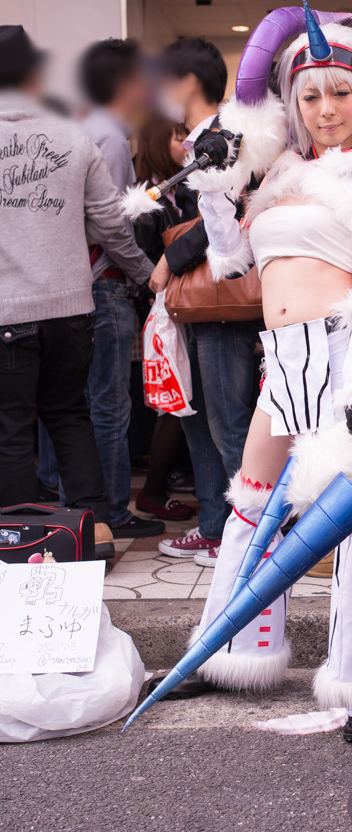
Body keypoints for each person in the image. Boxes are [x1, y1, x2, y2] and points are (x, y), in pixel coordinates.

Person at [131, 4, 352, 712]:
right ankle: (232, 654)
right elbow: (231, 260)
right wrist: (214, 190)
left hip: (349, 352)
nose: (326, 109)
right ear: (293, 103)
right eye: (310, 95)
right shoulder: (280, 175)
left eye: (340, 93)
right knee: (251, 502)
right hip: (285, 358)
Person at [0, 25, 155, 559]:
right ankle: (96, 532)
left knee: (11, 428)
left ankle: (23, 545)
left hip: (7, 313)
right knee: (70, 415)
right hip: (72, 308)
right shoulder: (74, 137)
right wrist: (145, 273)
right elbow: (111, 225)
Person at [144, 39, 263, 566]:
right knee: (203, 419)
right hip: (205, 304)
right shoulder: (204, 138)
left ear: (186, 83)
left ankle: (250, 535)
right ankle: (218, 527)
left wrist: (170, 259)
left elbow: (232, 213)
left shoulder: (224, 137)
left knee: (229, 422)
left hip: (224, 303)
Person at [78, 38, 166, 541]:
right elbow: (110, 226)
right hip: (104, 286)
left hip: (77, 286)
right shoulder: (109, 138)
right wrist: (146, 271)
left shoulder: (79, 129)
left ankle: (70, 504)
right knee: (109, 405)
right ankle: (111, 509)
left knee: (72, 405)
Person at [130, 115, 197, 523]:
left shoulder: (177, 191)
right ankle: (153, 490)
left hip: (179, 307)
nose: (186, 143)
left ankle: (160, 486)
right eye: (177, 136)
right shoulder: (147, 199)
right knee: (174, 400)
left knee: (179, 398)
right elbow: (146, 264)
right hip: (163, 311)